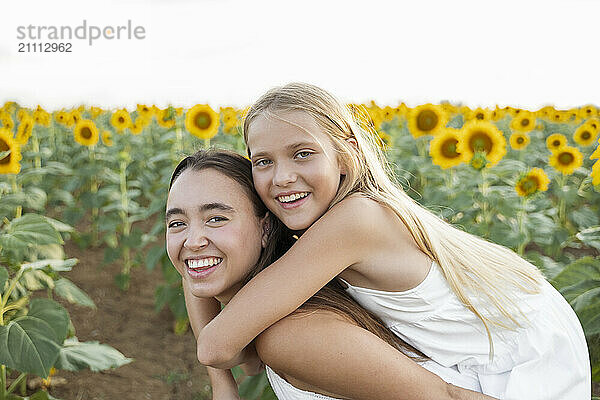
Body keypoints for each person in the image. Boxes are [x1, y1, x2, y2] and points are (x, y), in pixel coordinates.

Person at [197, 83, 592, 399]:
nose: (281, 176)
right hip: (499, 343)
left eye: (302, 154)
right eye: (263, 161)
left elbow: (219, 346)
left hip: (526, 361)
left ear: (345, 154)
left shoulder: (356, 220)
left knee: (288, 342)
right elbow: (225, 325)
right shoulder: (329, 216)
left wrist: (222, 381)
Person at [166, 149, 496, 399]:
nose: (193, 241)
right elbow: (193, 268)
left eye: (217, 219)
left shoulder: (290, 334)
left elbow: (449, 397)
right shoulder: (277, 304)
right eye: (177, 223)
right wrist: (221, 384)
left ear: (266, 226)